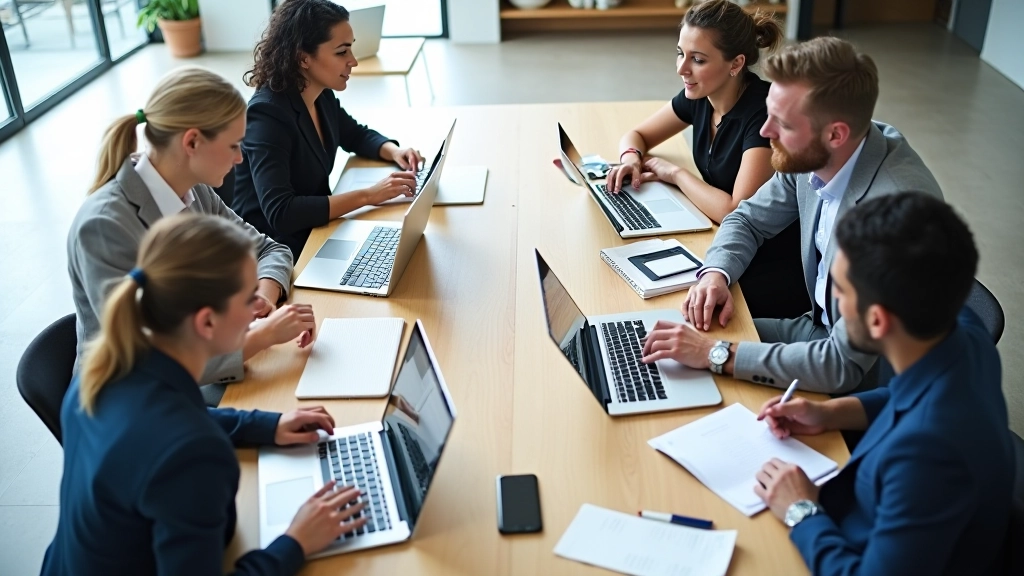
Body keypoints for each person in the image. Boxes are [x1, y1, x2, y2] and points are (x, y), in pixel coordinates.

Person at [44, 213, 366, 575]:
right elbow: (179, 440)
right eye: (249, 299)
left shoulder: (102, 372)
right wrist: (296, 541)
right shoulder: (193, 454)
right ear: (206, 322)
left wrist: (267, 425)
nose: (260, 308)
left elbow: (171, 421)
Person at [641, 36, 943, 394]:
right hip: (816, 328)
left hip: (870, 379)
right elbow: (747, 218)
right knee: (661, 339)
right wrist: (716, 275)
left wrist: (716, 354)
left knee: (693, 364)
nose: (765, 133)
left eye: (781, 123)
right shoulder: (816, 149)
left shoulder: (894, 219)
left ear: (835, 134)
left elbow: (842, 365)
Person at [751, 192, 1012, 575]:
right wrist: (829, 411)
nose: (833, 298)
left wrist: (800, 510)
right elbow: (906, 396)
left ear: (877, 321)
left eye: (840, 289)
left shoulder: (927, 457)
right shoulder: (963, 333)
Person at [68, 66, 316, 395]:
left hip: (203, 355)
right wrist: (260, 336)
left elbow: (270, 250)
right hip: (132, 396)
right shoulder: (103, 226)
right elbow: (146, 356)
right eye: (233, 146)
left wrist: (261, 297)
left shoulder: (194, 190)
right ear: (192, 142)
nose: (240, 158)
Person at [606, 0, 808, 320]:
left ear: (736, 63)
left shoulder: (765, 115)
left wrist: (675, 173)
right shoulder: (701, 95)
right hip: (722, 241)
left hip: (766, 263)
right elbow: (637, 135)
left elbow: (736, 210)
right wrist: (630, 158)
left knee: (673, 310)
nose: (682, 69)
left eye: (697, 59)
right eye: (680, 53)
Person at [232, 0, 423, 259]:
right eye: (341, 52)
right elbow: (281, 213)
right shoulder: (268, 115)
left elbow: (355, 134)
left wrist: (394, 151)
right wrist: (369, 195)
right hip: (275, 250)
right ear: (303, 58)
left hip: (314, 231)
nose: (353, 61)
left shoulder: (320, 95)